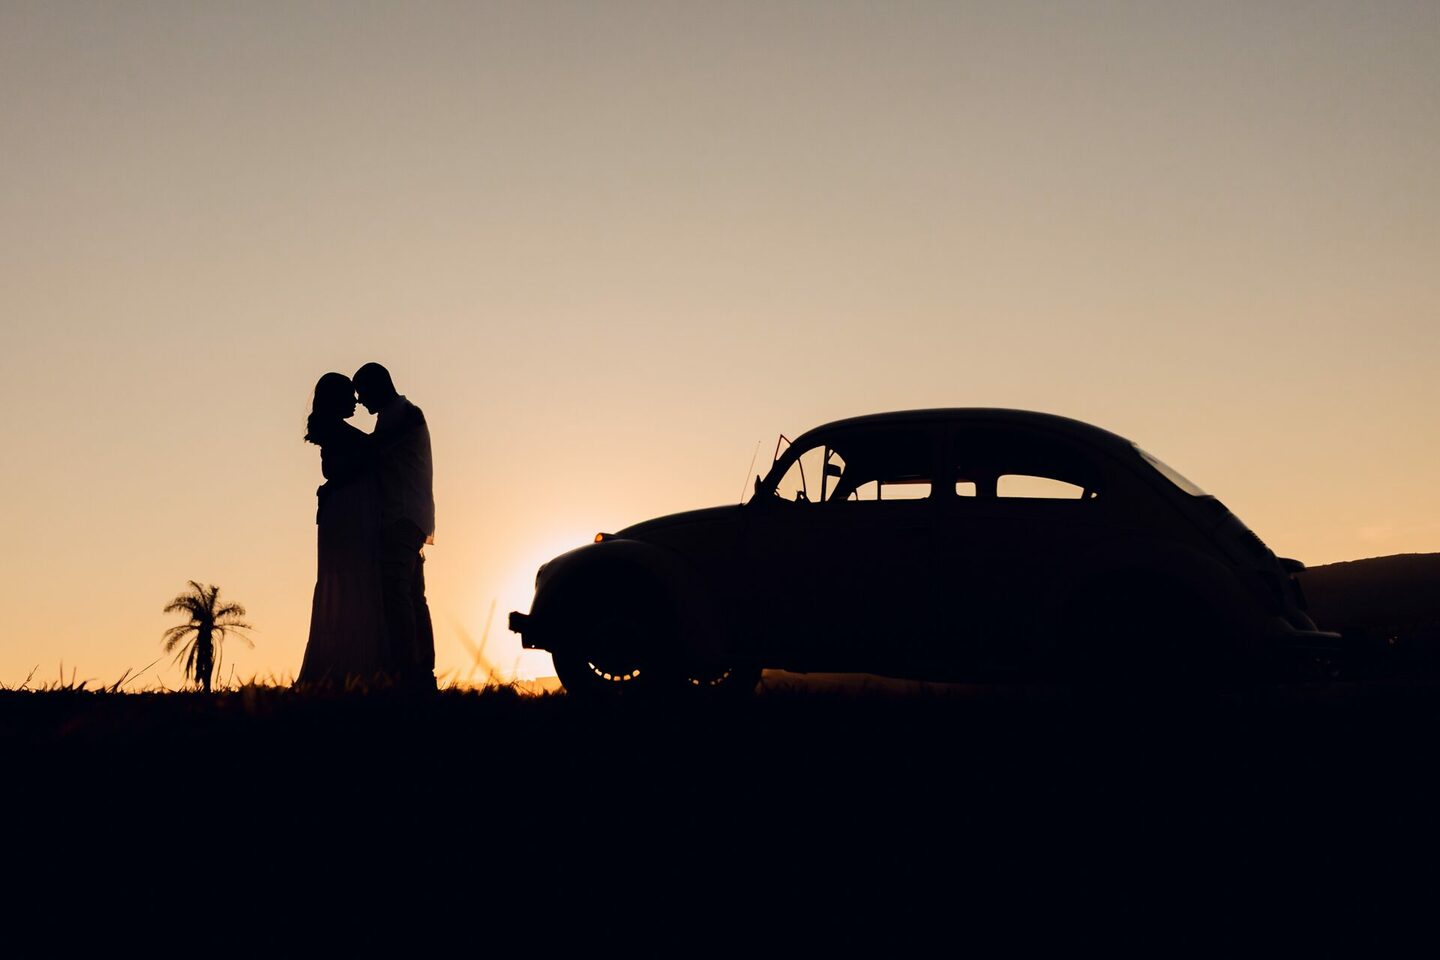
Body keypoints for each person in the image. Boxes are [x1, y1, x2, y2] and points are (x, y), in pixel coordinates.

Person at [297, 372, 390, 686]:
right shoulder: (338, 433)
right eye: (349, 395)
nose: (355, 401)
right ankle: (350, 665)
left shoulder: (336, 432)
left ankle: (350, 664)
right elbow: (338, 469)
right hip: (348, 515)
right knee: (351, 582)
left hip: (346, 512)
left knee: (350, 583)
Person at [353, 362, 436, 690]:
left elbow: (371, 450)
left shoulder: (403, 414)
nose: (360, 401)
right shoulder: (397, 414)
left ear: (378, 386)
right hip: (411, 517)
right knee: (413, 595)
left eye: (362, 393)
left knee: (398, 592)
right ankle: (421, 670)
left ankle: (410, 670)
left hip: (402, 517)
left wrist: (334, 431)